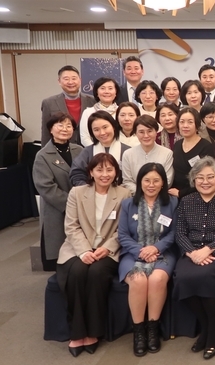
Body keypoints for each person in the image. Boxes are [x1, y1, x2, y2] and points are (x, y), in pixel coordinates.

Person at [56, 153, 131, 357]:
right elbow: (71, 226)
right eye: (99, 170)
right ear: (91, 172)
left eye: (109, 169)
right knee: (78, 273)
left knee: (97, 274)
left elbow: (123, 229)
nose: (104, 174)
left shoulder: (124, 194)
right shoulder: (77, 193)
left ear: (116, 172)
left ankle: (93, 332)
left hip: (108, 250)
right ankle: (77, 333)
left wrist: (106, 247)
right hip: (77, 248)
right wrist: (83, 251)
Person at [173, 157, 215, 359]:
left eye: (210, 177)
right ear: (193, 180)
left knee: (207, 276)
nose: (205, 181)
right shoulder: (186, 201)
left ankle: (213, 333)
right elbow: (179, 232)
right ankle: (208, 327)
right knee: (183, 277)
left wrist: (208, 250)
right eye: (200, 178)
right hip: (191, 252)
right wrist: (192, 253)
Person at [118, 163, 178, 356]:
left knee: (157, 279)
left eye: (156, 180)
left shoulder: (173, 203)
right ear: (140, 182)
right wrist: (140, 251)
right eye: (147, 180)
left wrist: (156, 247)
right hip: (133, 253)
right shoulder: (128, 204)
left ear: (163, 183)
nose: (151, 185)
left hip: (164, 252)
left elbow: (174, 233)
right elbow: (123, 235)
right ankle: (139, 331)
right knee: (138, 280)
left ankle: (152, 328)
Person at [33, 113, 84, 271]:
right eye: (60, 125)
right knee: (59, 256)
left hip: (82, 208)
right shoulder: (42, 156)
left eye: (69, 126)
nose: (65, 129)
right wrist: (72, 203)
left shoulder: (79, 150)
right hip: (58, 210)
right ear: (51, 129)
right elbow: (46, 187)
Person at [70, 111, 131, 186]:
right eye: (96, 130)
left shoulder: (128, 151)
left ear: (113, 126)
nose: (102, 133)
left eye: (105, 127)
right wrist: (90, 190)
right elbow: (76, 175)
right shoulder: (87, 152)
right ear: (92, 132)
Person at [40, 65, 95, 146]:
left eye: (74, 78)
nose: (70, 82)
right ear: (59, 81)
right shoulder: (49, 103)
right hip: (61, 148)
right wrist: (46, 154)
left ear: (80, 80)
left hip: (88, 148)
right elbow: (46, 131)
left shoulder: (92, 101)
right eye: (66, 79)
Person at [170, 107, 215, 198]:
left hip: (199, 196)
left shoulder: (206, 146)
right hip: (176, 195)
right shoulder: (177, 145)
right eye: (182, 122)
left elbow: (207, 178)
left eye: (190, 122)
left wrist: (182, 193)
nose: (185, 125)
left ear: (197, 125)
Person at [121, 115, 174, 194]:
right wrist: (143, 193)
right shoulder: (128, 154)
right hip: (136, 197)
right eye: (141, 132)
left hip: (160, 197)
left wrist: (152, 192)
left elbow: (168, 180)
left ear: (156, 132)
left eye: (149, 131)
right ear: (135, 133)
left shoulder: (167, 153)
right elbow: (127, 181)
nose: (146, 135)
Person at [79, 77, 121, 147]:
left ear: (116, 92)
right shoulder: (88, 112)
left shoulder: (122, 111)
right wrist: (98, 150)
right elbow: (85, 138)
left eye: (110, 88)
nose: (106, 91)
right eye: (102, 88)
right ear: (97, 93)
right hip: (96, 153)